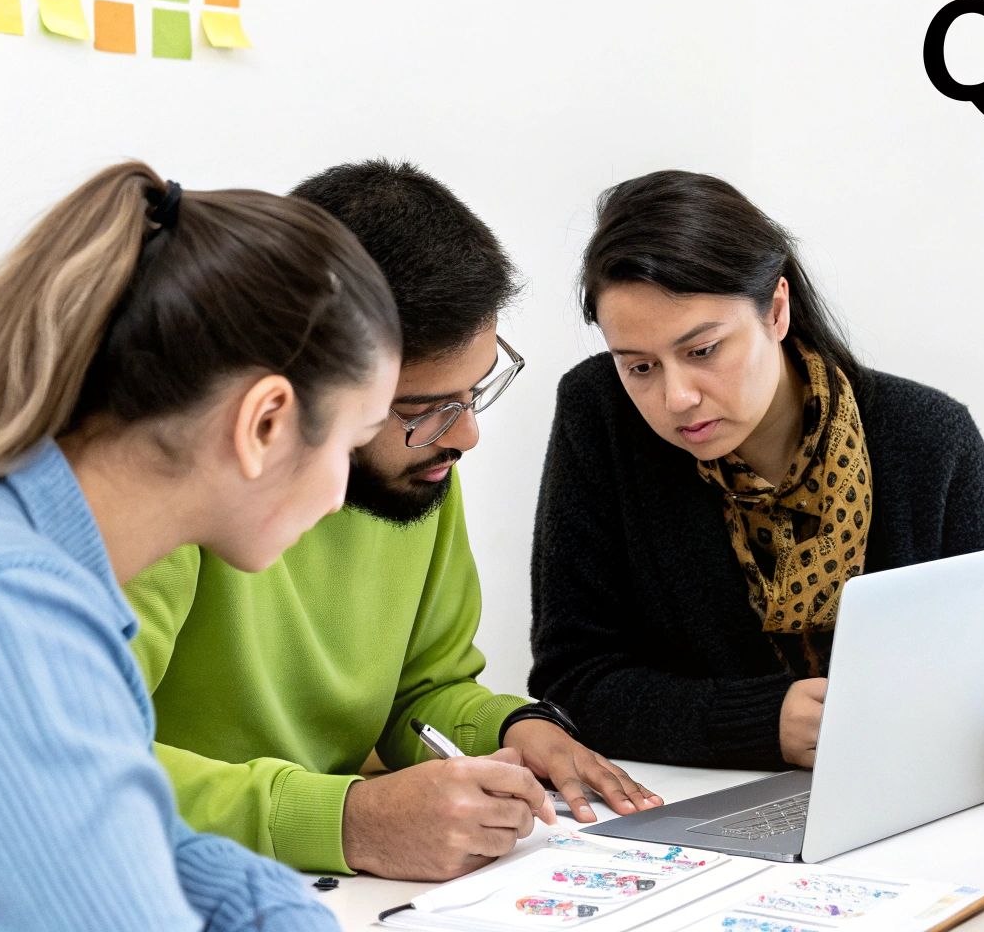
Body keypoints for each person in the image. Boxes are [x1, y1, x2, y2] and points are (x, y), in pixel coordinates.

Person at [0, 162, 404, 930]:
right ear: (265, 423)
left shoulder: (21, 561)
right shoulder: (0, 605)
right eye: (353, 441)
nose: (343, 493)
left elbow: (164, 852)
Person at [123, 160, 660, 884]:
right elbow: (76, 766)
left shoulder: (414, 467)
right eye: (420, 408)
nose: (464, 434)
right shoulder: (166, 492)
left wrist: (510, 728)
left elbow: (421, 688)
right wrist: (345, 820)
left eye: (475, 389)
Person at [529, 170, 984, 789]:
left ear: (776, 310)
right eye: (639, 366)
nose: (677, 396)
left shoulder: (926, 436)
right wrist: (762, 722)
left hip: (912, 803)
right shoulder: (599, 416)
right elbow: (571, 679)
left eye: (704, 350)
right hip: (704, 811)